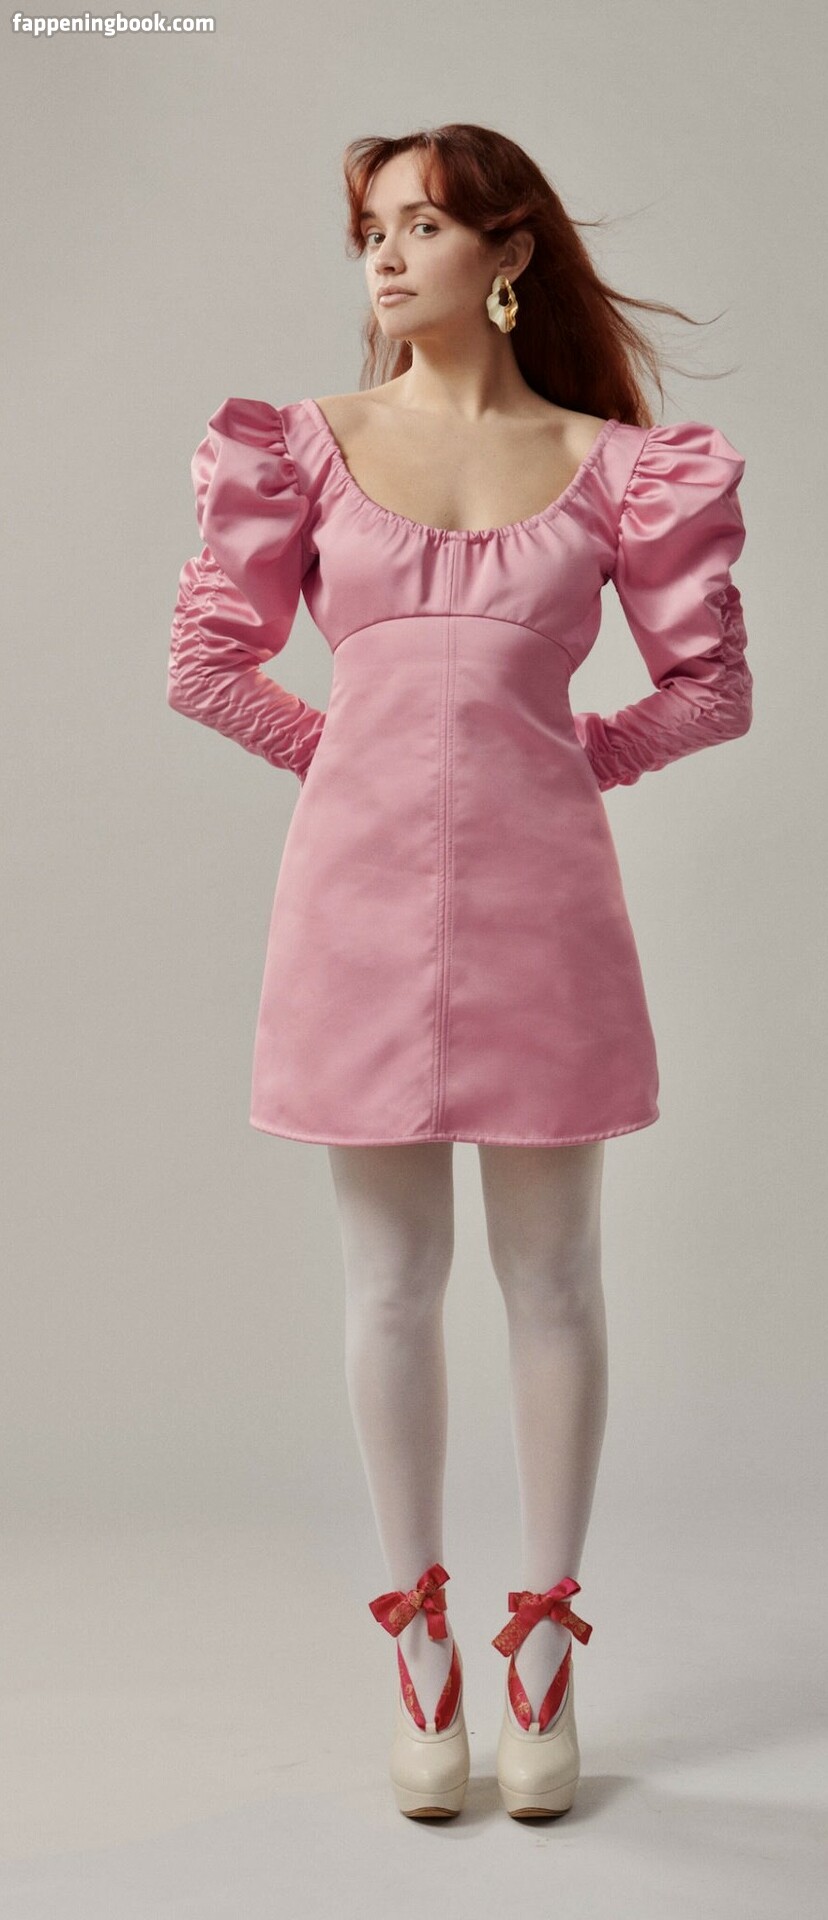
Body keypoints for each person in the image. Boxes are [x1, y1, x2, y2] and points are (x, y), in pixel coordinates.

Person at [167, 123, 752, 1822]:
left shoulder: (616, 464)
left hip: (545, 909)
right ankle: (420, 1644)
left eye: (422, 224)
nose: (384, 254)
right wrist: (354, 763)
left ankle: (544, 1646)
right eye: (370, 226)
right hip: (352, 909)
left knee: (554, 1281)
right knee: (390, 1285)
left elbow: (711, 689)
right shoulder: (305, 446)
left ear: (508, 254)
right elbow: (207, 660)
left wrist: (566, 764)